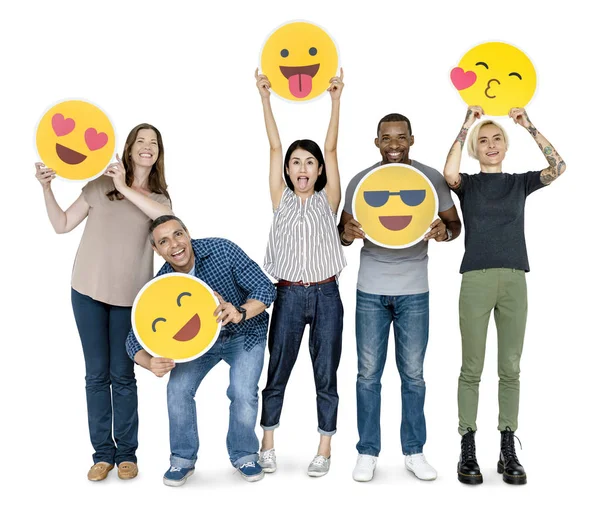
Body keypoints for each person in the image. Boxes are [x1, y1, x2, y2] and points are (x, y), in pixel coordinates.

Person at [35, 123, 173, 481]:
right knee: (96, 376)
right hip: (87, 293)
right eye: (140, 141)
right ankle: (102, 455)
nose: (146, 147)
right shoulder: (99, 186)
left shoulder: (160, 201)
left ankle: (127, 454)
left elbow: (162, 221)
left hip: (130, 300)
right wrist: (47, 187)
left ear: (159, 154)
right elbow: (62, 224)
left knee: (123, 374)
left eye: (153, 143)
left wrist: (125, 186)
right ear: (127, 149)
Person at [443, 106, 566, 485]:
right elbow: (448, 173)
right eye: (483, 141)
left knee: (510, 367)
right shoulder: (469, 183)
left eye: (497, 140)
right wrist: (466, 124)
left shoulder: (519, 182)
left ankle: (507, 446)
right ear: (475, 150)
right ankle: (468, 445)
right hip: (476, 280)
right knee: (472, 367)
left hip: (514, 280)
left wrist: (527, 124)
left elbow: (558, 167)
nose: (491, 145)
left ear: (506, 147)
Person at [339, 113, 462, 482]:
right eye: (386, 138)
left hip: (414, 292)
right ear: (376, 142)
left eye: (401, 137)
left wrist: (445, 231)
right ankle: (367, 452)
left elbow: (455, 226)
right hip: (370, 292)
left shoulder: (430, 180)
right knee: (367, 376)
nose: (394, 144)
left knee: (413, 376)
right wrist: (346, 232)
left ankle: (414, 451)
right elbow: (343, 233)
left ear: (412, 139)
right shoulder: (362, 181)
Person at [126, 215, 276, 486]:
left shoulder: (221, 250)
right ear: (156, 250)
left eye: (178, 234)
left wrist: (239, 311)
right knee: (177, 390)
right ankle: (182, 460)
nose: (174, 245)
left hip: (244, 333)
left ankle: (244, 455)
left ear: (188, 233)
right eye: (164, 241)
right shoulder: (161, 284)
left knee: (242, 390)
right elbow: (133, 340)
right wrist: (149, 362)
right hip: (197, 347)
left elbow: (265, 288)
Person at [254, 68, 346, 477]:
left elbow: (332, 147)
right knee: (278, 370)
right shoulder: (282, 200)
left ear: (319, 170)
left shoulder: (329, 200)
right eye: (296, 162)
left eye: (309, 162)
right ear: (289, 171)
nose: (302, 167)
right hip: (288, 295)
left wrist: (336, 101)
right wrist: (265, 99)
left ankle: (324, 447)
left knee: (326, 373)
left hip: (327, 295)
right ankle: (267, 442)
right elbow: (274, 147)